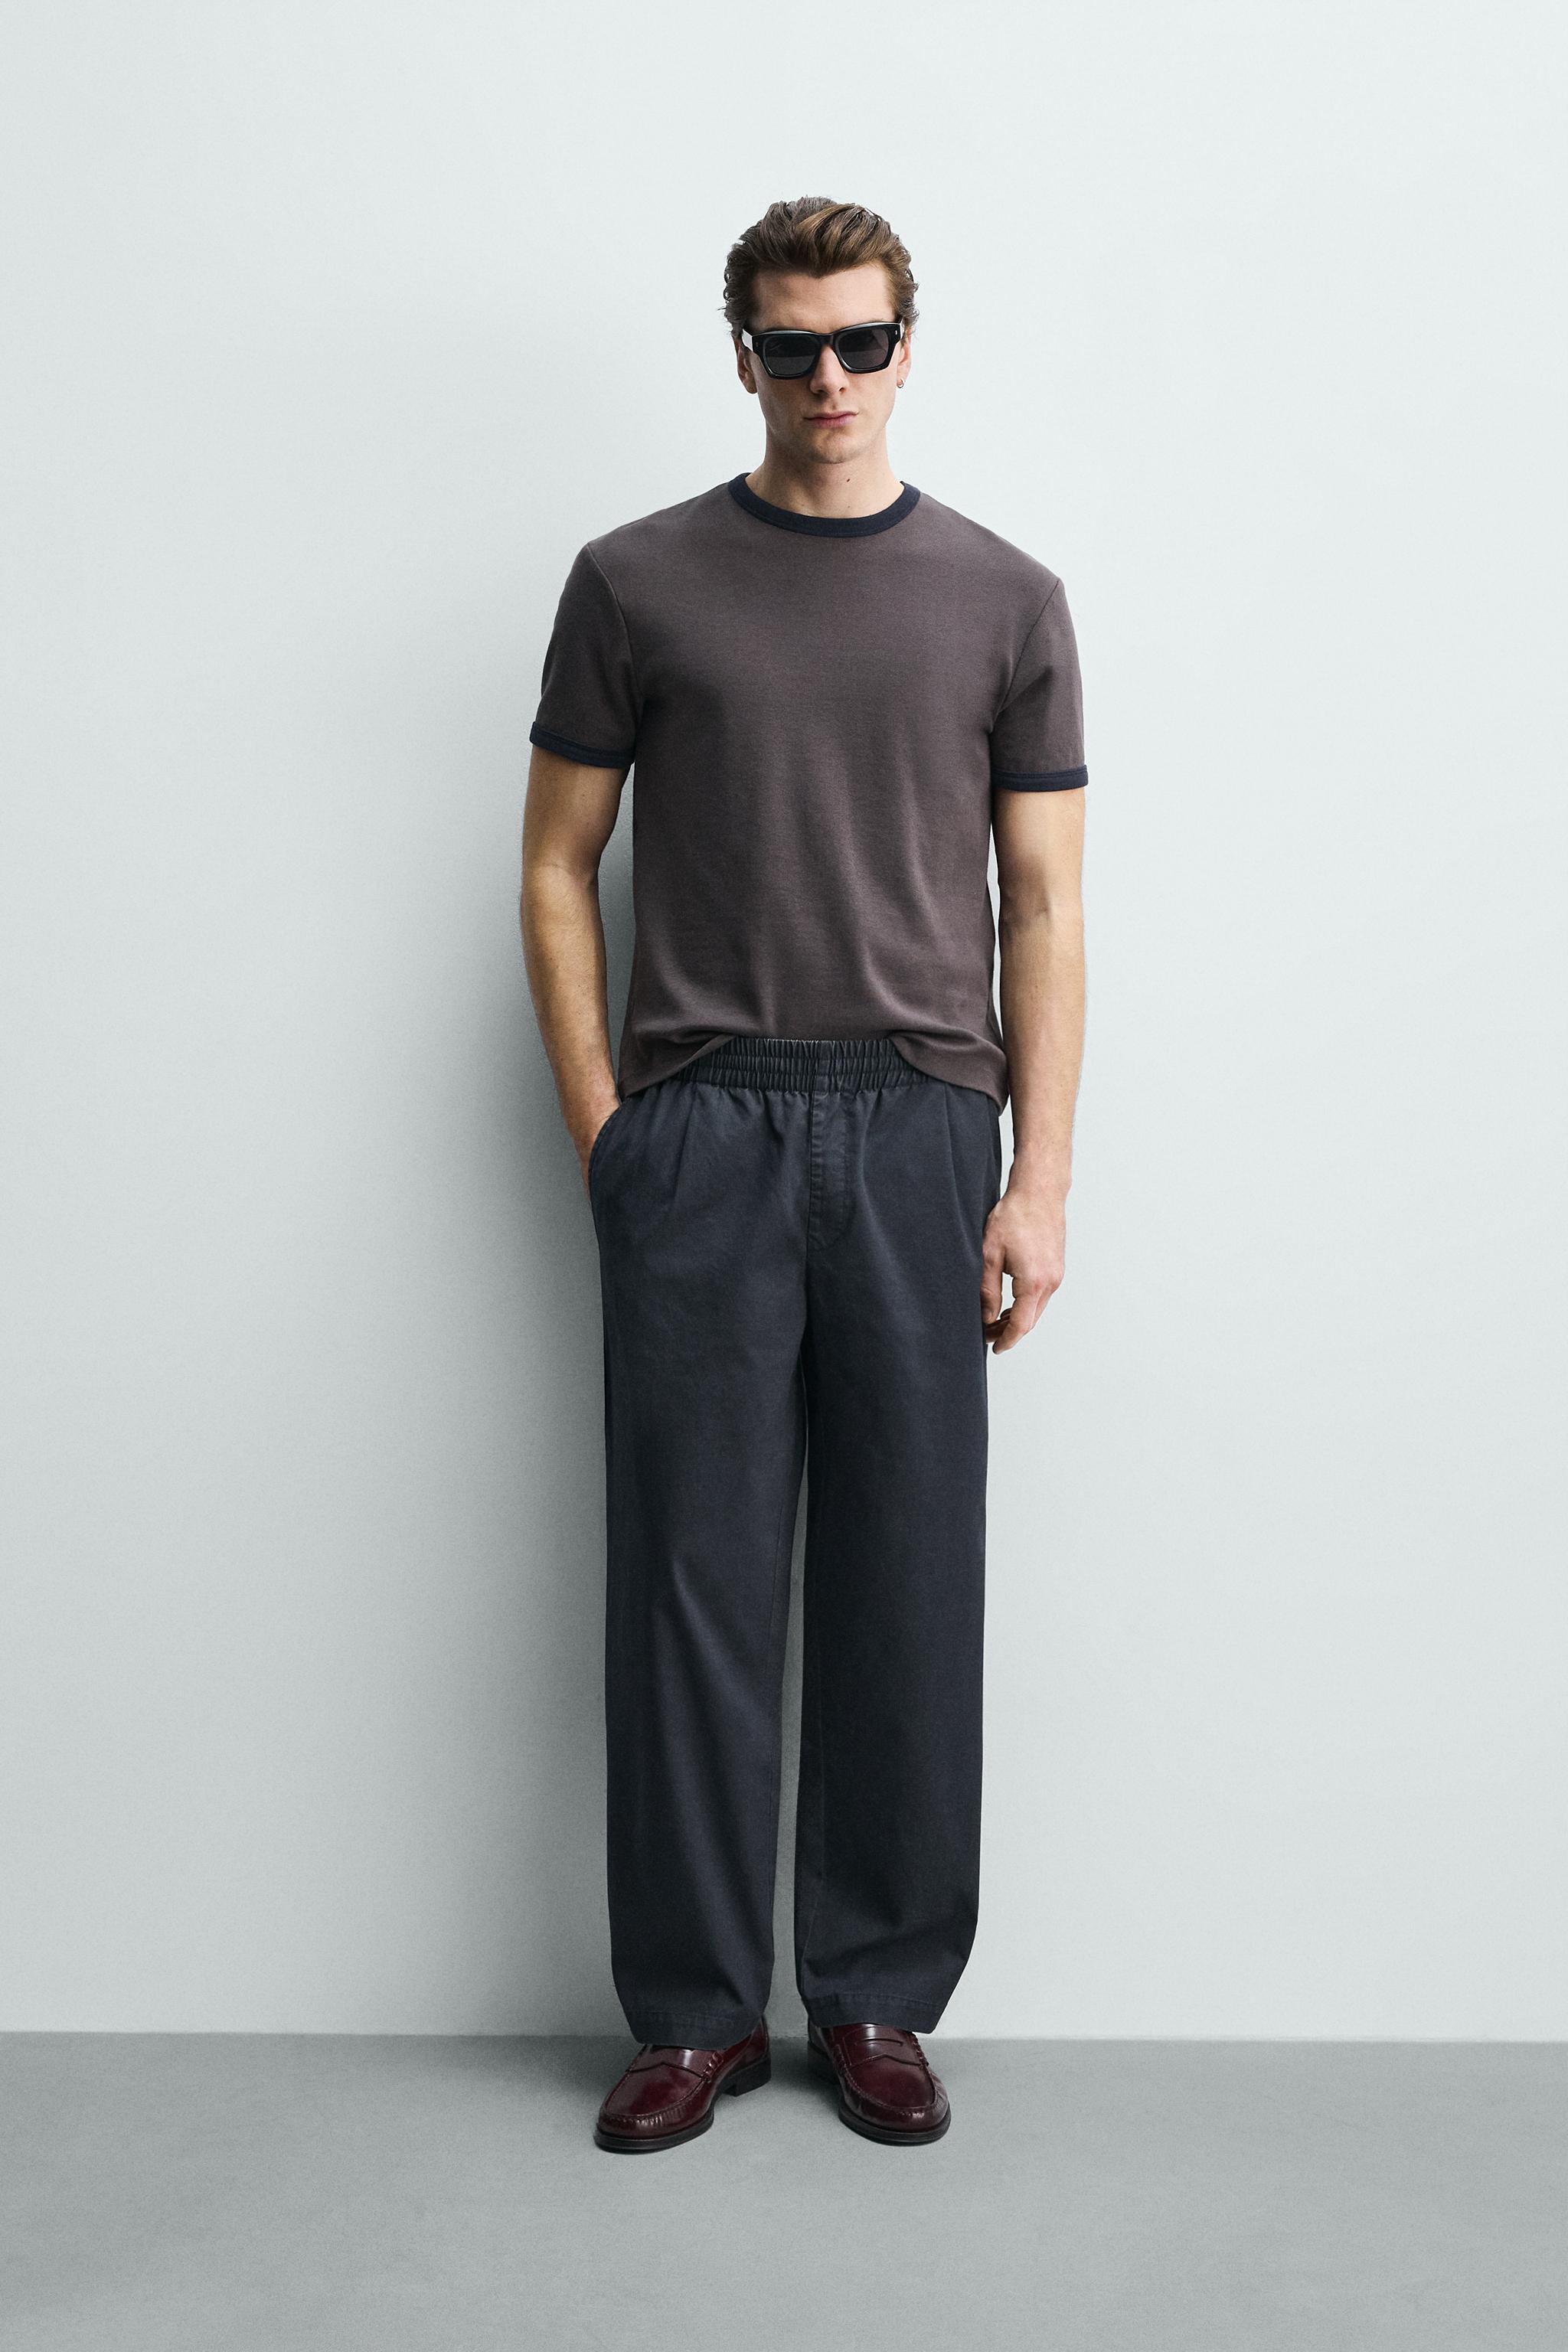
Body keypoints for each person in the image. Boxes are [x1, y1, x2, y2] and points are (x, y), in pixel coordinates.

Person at [519, 194, 1087, 2153]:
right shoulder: (634, 582)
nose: (826, 378)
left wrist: (1038, 1178)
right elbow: (554, 866)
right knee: (690, 1578)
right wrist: (611, 1131)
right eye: (789, 346)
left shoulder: (1004, 597)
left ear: (907, 348)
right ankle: (692, 2013)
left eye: (858, 342)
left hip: (923, 1119)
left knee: (906, 1577)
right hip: (708, 1120)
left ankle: (875, 1999)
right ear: (743, 355)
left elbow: (1043, 906)